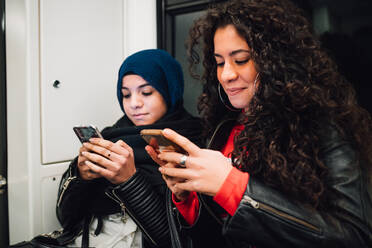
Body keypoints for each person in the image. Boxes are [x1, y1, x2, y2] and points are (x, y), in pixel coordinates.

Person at [146, 0, 372, 247]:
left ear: (275, 61)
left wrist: (234, 187)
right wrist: (189, 197)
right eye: (219, 62)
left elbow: (354, 236)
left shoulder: (323, 128)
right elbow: (221, 234)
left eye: (241, 60)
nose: (226, 75)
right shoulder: (224, 129)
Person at [28, 49, 202, 248]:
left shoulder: (191, 140)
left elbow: (176, 238)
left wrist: (129, 180)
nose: (134, 104)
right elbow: (66, 218)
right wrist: (81, 177)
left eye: (146, 92)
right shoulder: (111, 136)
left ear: (169, 91)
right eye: (125, 95)